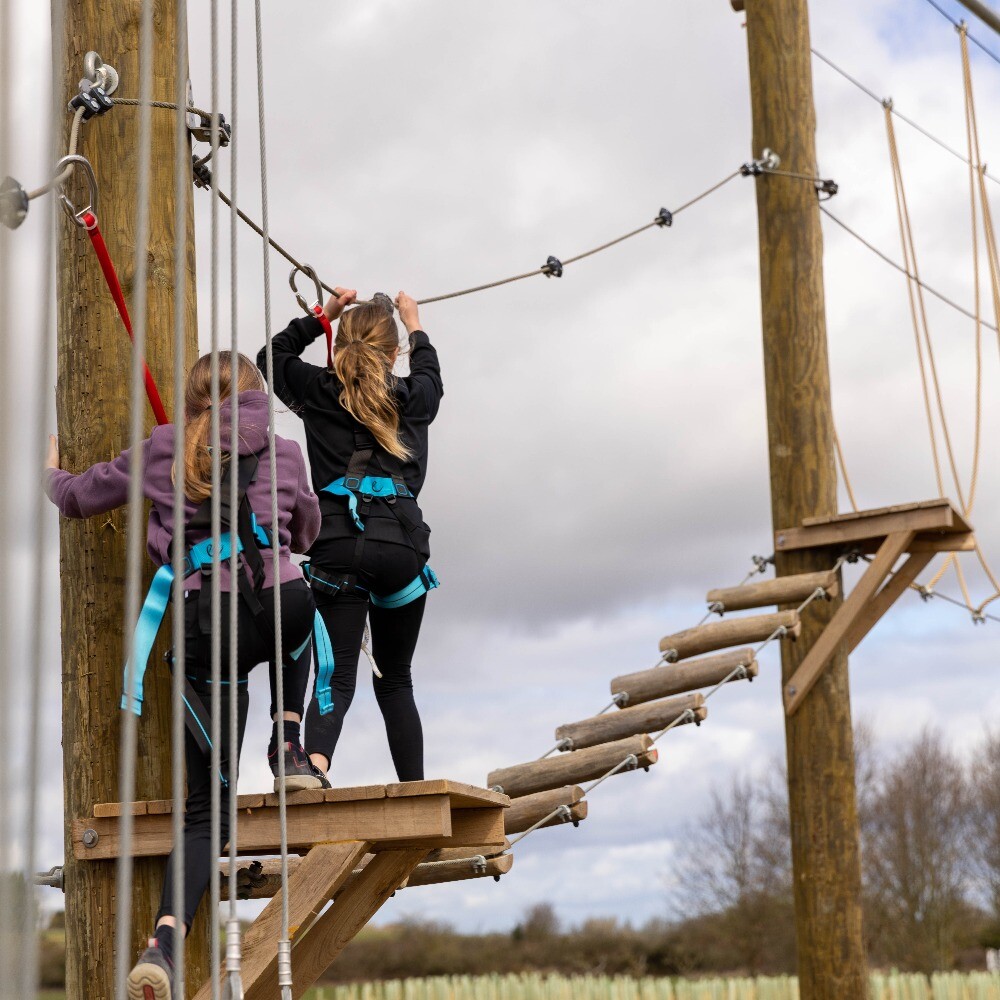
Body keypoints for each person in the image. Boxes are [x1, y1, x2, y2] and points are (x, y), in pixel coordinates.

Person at [44, 352, 322, 998]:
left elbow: (81, 497)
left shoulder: (165, 450)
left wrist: (49, 473)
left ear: (193, 400)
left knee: (207, 815)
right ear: (253, 396)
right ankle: (288, 742)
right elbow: (305, 531)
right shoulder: (284, 451)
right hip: (280, 609)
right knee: (298, 614)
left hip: (209, 632)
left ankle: (163, 942)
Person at [260, 288, 442, 785]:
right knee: (396, 679)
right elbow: (430, 377)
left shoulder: (320, 390)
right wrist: (414, 323)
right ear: (393, 354)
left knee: (337, 674)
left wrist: (322, 315)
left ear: (339, 348)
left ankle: (313, 766)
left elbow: (270, 358)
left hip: (339, 545)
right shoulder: (413, 397)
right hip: (402, 548)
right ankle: (414, 789)